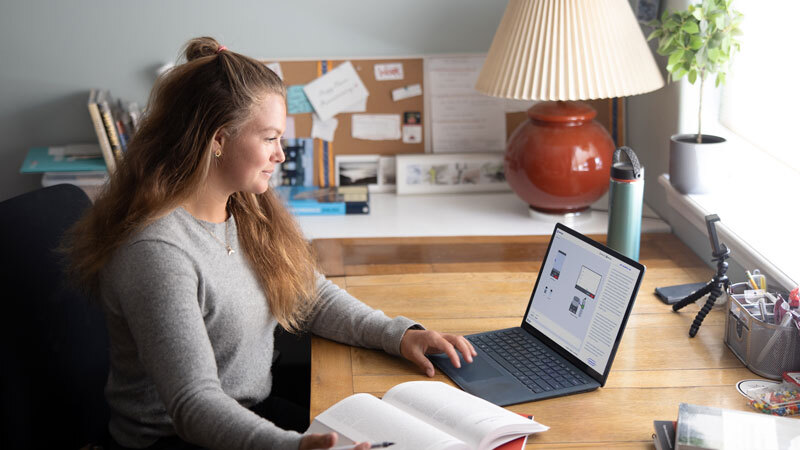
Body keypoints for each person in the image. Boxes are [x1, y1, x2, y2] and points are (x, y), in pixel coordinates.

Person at [64, 37, 476, 450]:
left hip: (249, 415)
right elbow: (193, 403)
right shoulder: (156, 253)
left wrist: (400, 335)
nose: (281, 154)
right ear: (219, 139)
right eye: (269, 138)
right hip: (178, 438)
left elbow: (309, 294)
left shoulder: (242, 209)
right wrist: (290, 447)